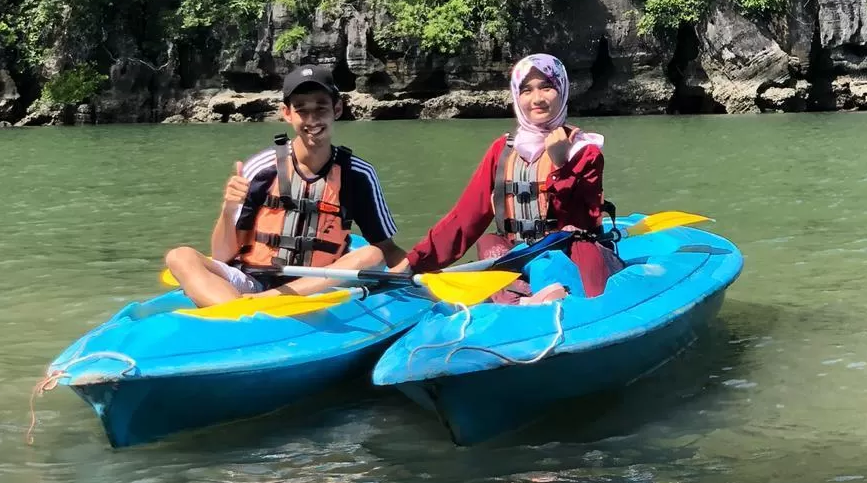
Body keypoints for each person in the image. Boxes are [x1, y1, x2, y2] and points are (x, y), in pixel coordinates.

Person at [165, 65, 406, 306]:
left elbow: (387, 248)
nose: (312, 119)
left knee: (372, 254)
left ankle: (250, 305)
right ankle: (236, 310)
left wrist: (421, 269)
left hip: (318, 285)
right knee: (179, 256)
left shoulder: (358, 174)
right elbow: (221, 255)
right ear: (287, 113)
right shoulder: (262, 168)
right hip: (254, 279)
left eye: (321, 108)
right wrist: (228, 210)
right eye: (301, 109)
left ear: (337, 109)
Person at [393, 53, 619, 303]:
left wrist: (561, 166)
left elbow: (581, 221)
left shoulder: (585, 151)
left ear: (562, 90)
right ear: (516, 96)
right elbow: (464, 219)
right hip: (519, 255)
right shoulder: (502, 150)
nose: (537, 99)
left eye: (547, 87)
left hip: (570, 253)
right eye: (526, 90)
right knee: (490, 243)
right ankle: (522, 298)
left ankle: (547, 296)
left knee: (551, 261)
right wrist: (413, 262)